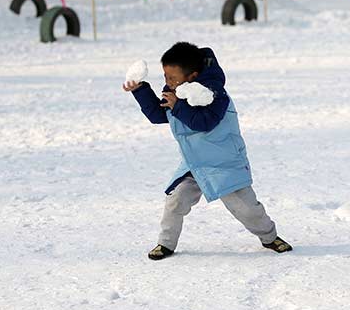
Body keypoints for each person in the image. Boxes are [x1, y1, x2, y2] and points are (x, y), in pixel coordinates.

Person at [123, 42, 292, 260]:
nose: (168, 83)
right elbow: (158, 115)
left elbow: (204, 122)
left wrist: (178, 106)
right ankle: (165, 243)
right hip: (195, 165)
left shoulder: (215, 95)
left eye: (173, 78)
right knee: (175, 201)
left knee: (246, 209)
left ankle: (270, 237)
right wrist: (140, 90)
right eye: (165, 77)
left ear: (192, 76)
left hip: (224, 163)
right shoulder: (174, 92)